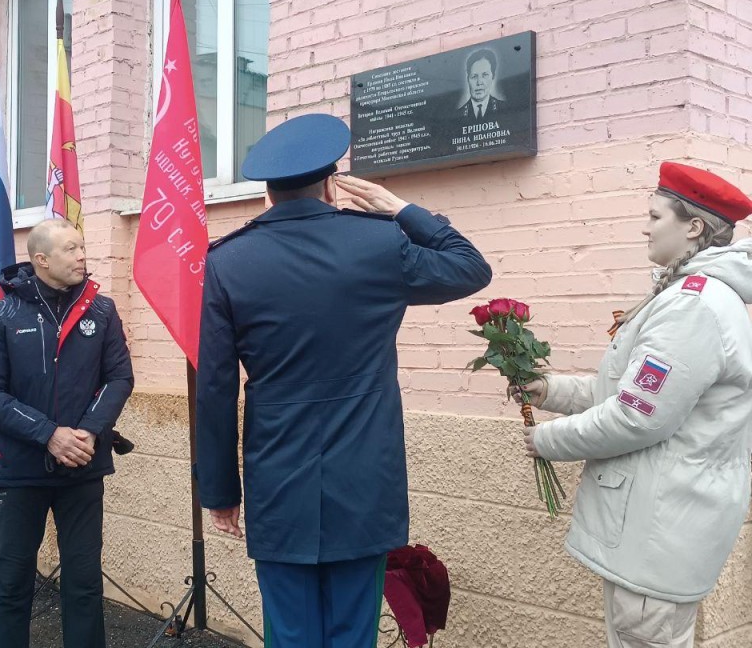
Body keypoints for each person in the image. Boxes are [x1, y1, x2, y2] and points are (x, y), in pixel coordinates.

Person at [195, 113, 492, 648]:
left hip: (278, 478)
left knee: (289, 633)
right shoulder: (379, 244)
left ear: (267, 193)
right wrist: (399, 208)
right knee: (354, 634)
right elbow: (470, 267)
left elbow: (215, 388)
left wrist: (219, 491)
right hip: (364, 480)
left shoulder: (229, 260)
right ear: (332, 183)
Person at [512, 162, 752, 648]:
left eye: (655, 216)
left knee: (645, 636)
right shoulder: (683, 295)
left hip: (660, 527)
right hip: (658, 524)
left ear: (694, 227)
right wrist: (552, 391)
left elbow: (635, 416)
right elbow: (632, 391)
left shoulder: (693, 307)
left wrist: (546, 439)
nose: (645, 226)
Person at [0, 218, 134, 648]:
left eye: (82, 247)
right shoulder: (1, 316)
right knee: (10, 582)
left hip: (83, 465)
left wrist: (87, 432)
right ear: (41, 259)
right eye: (71, 249)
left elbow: (119, 378)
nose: (83, 256)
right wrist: (48, 434)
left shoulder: (102, 309)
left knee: (83, 584)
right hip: (20, 471)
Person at [456, 48, 504, 122]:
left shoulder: (505, 109)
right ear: (468, 79)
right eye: (474, 76)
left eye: (485, 75)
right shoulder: (457, 115)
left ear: (493, 76)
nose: (479, 82)